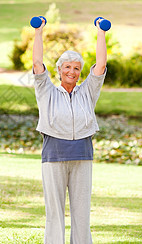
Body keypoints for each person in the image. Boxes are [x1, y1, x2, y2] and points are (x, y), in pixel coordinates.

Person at [32, 18, 107, 244]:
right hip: (54, 156)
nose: (72, 72)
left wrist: (100, 32)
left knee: (82, 214)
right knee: (54, 213)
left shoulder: (88, 92)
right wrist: (38, 32)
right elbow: (37, 62)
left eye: (76, 68)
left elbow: (101, 65)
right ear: (59, 70)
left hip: (82, 156)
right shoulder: (46, 90)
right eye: (67, 67)